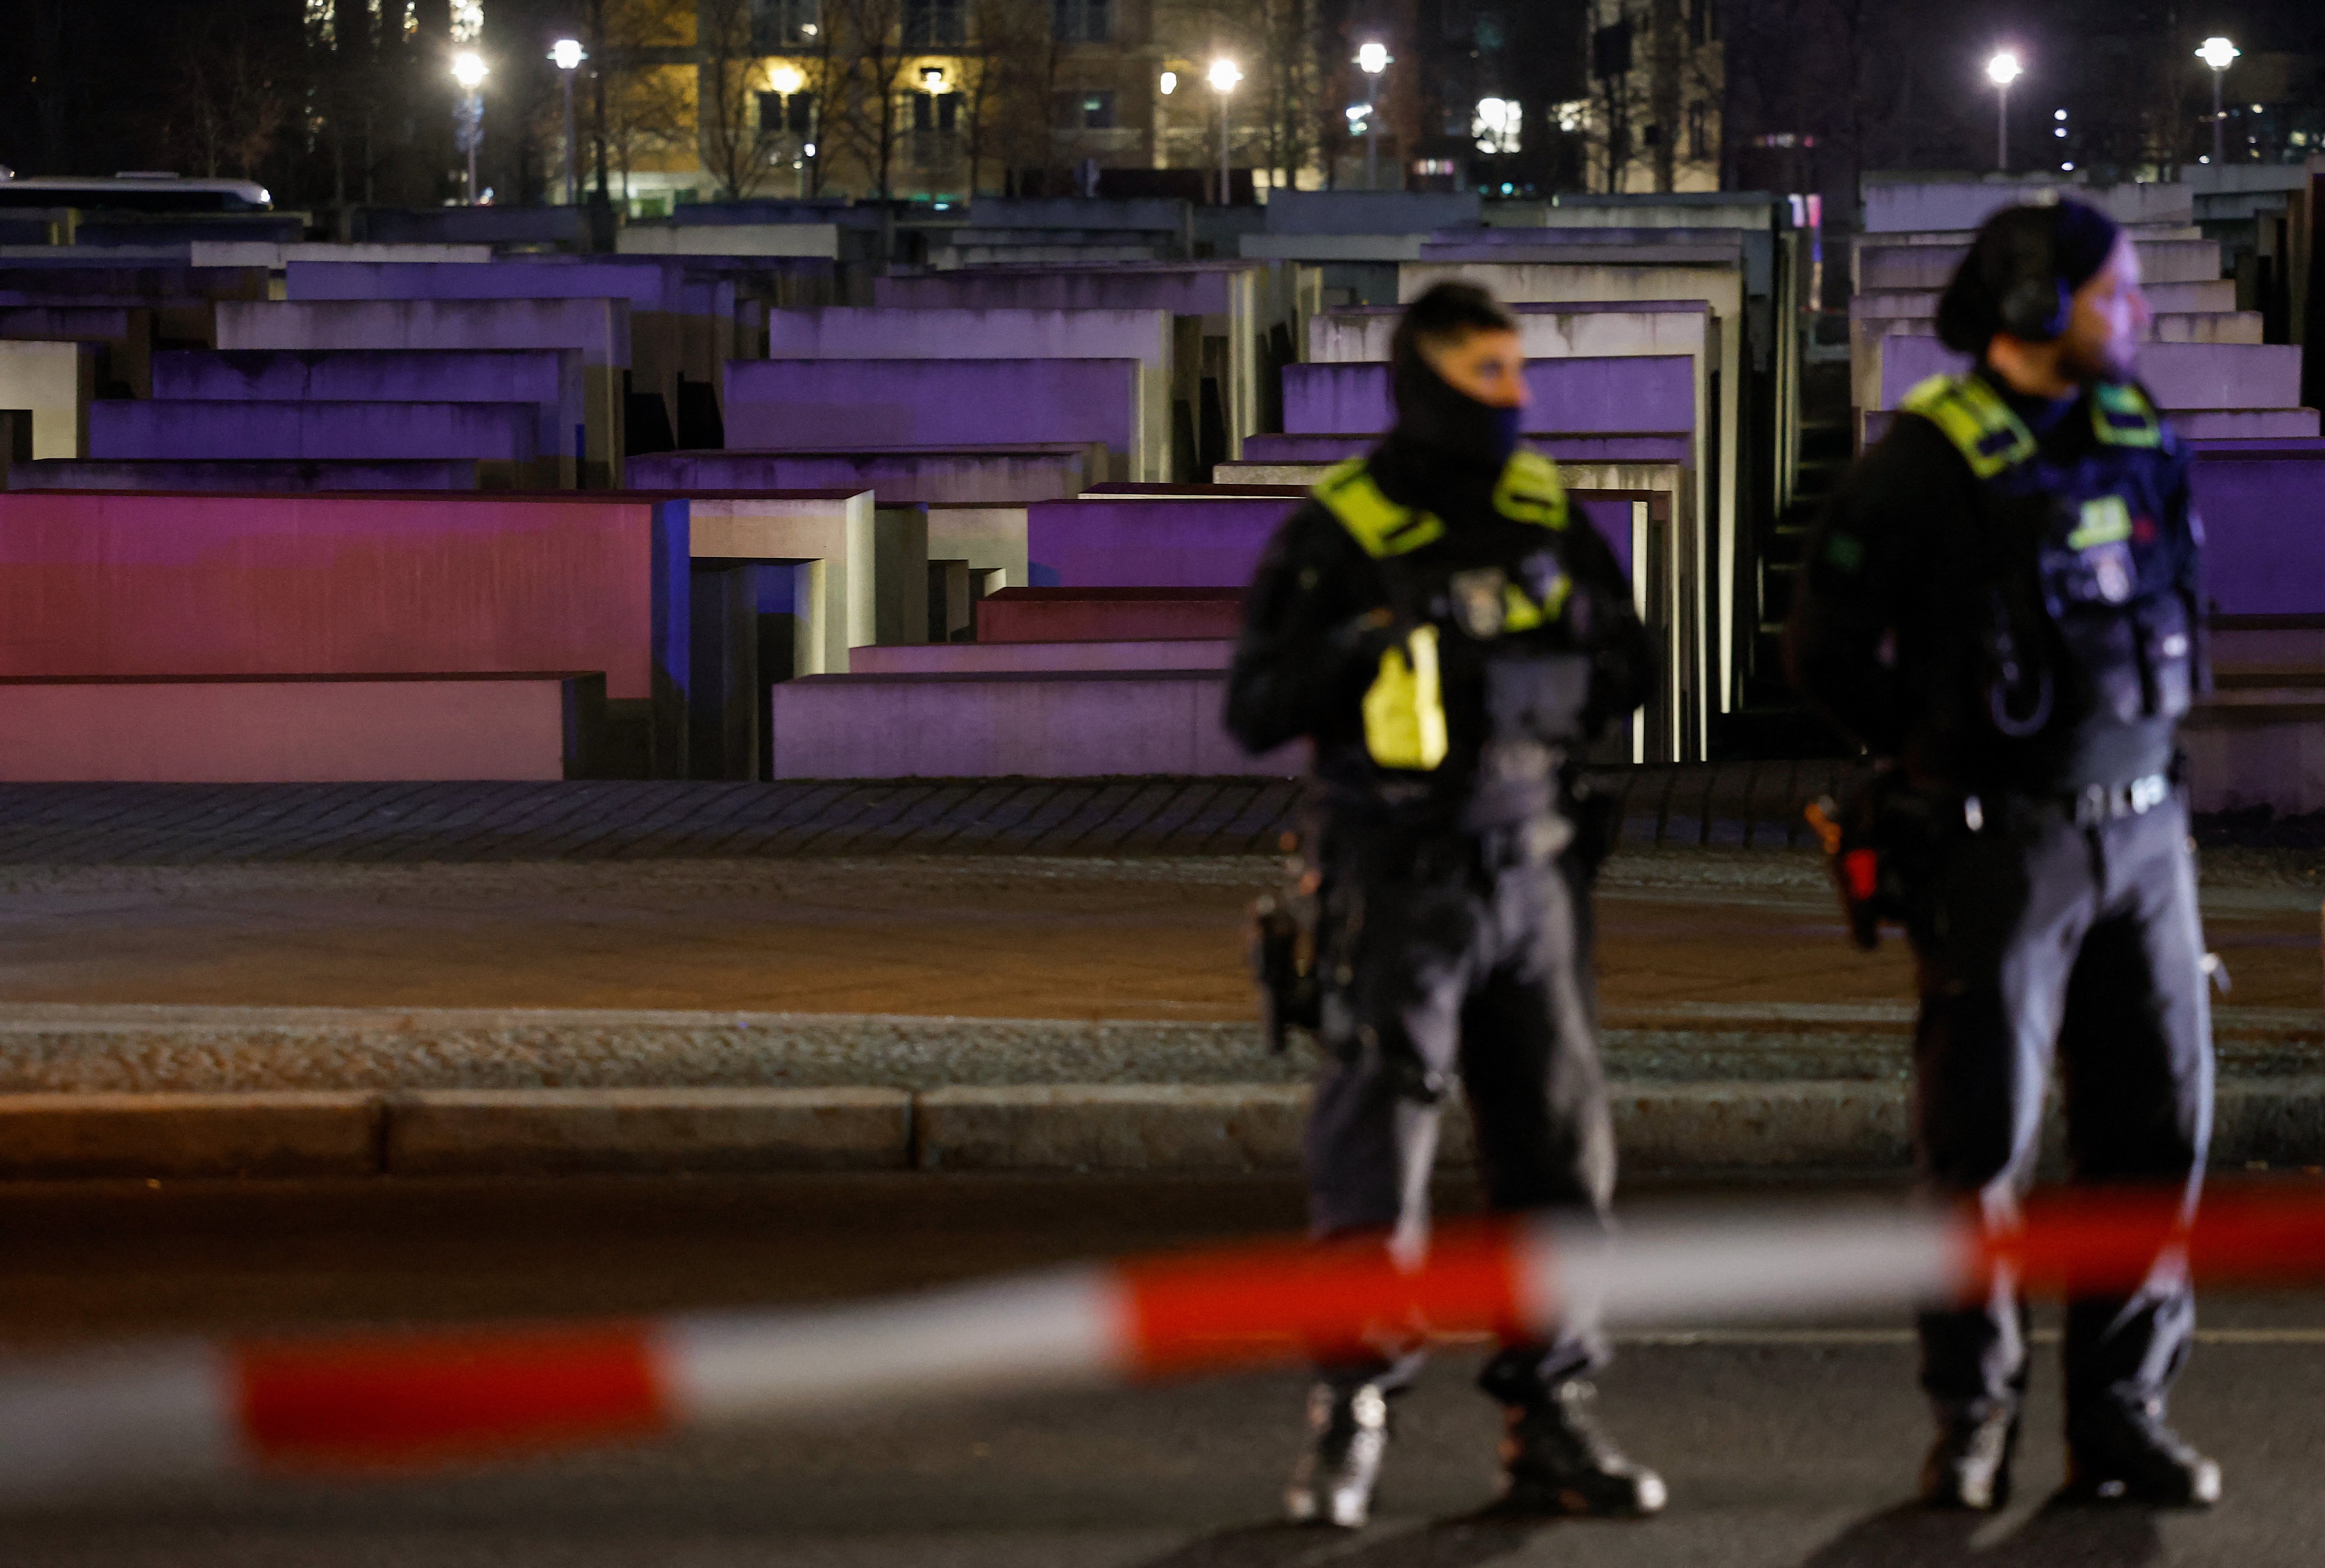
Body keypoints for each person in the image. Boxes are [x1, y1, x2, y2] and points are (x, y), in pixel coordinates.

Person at [1788, 200, 2220, 1511]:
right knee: (1977, 1149)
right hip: (1999, 850)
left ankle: (2118, 1416)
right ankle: (1971, 1420)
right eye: (2113, 292)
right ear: (2034, 302)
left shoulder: (2137, 433)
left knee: (2154, 1139)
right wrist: (1929, 756)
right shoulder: (1924, 460)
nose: (2137, 312)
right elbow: (1822, 648)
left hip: (2145, 838)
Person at [1225, 281, 1660, 1529]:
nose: (1514, 397)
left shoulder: (1542, 512)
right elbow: (1255, 707)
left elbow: (1633, 666)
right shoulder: (1342, 528)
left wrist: (1530, 673)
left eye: (1518, 371)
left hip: (1535, 875)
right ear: (1424, 384)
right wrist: (1369, 643)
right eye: (1488, 374)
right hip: (1396, 878)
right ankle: (1350, 1419)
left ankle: (1552, 1416)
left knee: (1559, 1155)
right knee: (1375, 1163)